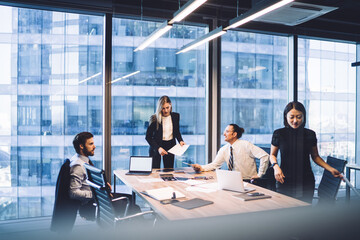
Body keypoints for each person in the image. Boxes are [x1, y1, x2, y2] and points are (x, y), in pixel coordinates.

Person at [270, 101, 342, 203]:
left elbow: (315, 156)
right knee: (284, 212)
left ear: (304, 117)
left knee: (304, 212)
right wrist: (275, 167)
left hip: (306, 181)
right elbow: (272, 155)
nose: (295, 120)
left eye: (299, 117)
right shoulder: (279, 134)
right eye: (292, 117)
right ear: (285, 117)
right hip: (284, 180)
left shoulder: (310, 134)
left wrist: (330, 169)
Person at [192, 124, 269, 180]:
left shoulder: (246, 145)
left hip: (248, 181)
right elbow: (215, 165)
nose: (224, 134)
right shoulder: (224, 149)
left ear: (234, 134)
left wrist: (260, 174)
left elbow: (265, 156)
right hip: (232, 180)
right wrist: (201, 167)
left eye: (227, 131)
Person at [146, 96, 185, 169]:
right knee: (155, 171)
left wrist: (180, 140)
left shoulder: (176, 116)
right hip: (157, 146)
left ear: (170, 105)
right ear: (159, 108)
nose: (166, 110)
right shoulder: (154, 118)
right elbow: (148, 137)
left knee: (169, 171)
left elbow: (176, 131)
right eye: (163, 108)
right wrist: (158, 148)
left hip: (170, 145)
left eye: (167, 107)